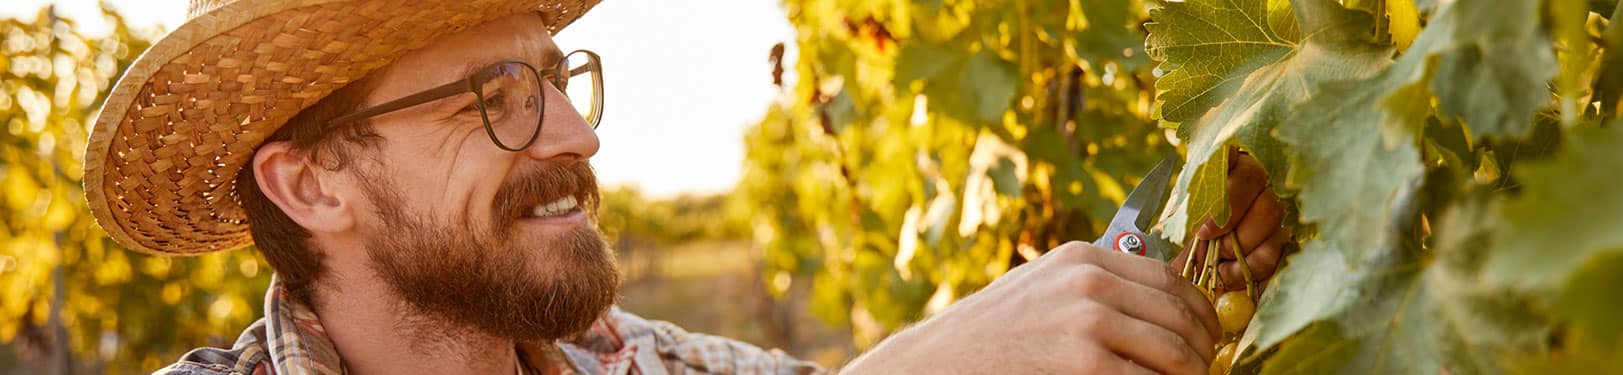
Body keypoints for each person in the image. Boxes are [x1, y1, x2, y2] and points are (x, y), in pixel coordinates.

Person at [82, 0, 1291, 373]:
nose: (574, 134)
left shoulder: (656, 363)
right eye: (492, 98)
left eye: (557, 80)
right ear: (311, 184)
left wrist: (1154, 266)